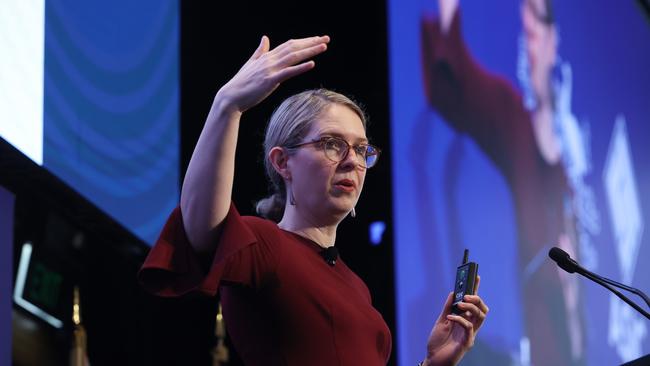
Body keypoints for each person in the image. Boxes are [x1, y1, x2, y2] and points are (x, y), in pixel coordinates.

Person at [138, 35, 488, 365]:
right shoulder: (264, 245)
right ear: (283, 162)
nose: (353, 160)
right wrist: (227, 106)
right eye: (332, 144)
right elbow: (200, 227)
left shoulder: (356, 286)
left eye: (362, 149)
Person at [419, 0, 598, 364]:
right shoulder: (515, 122)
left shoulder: (575, 153)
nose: (528, 37)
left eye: (539, 22)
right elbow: (455, 84)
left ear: (554, 38)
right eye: (524, 27)